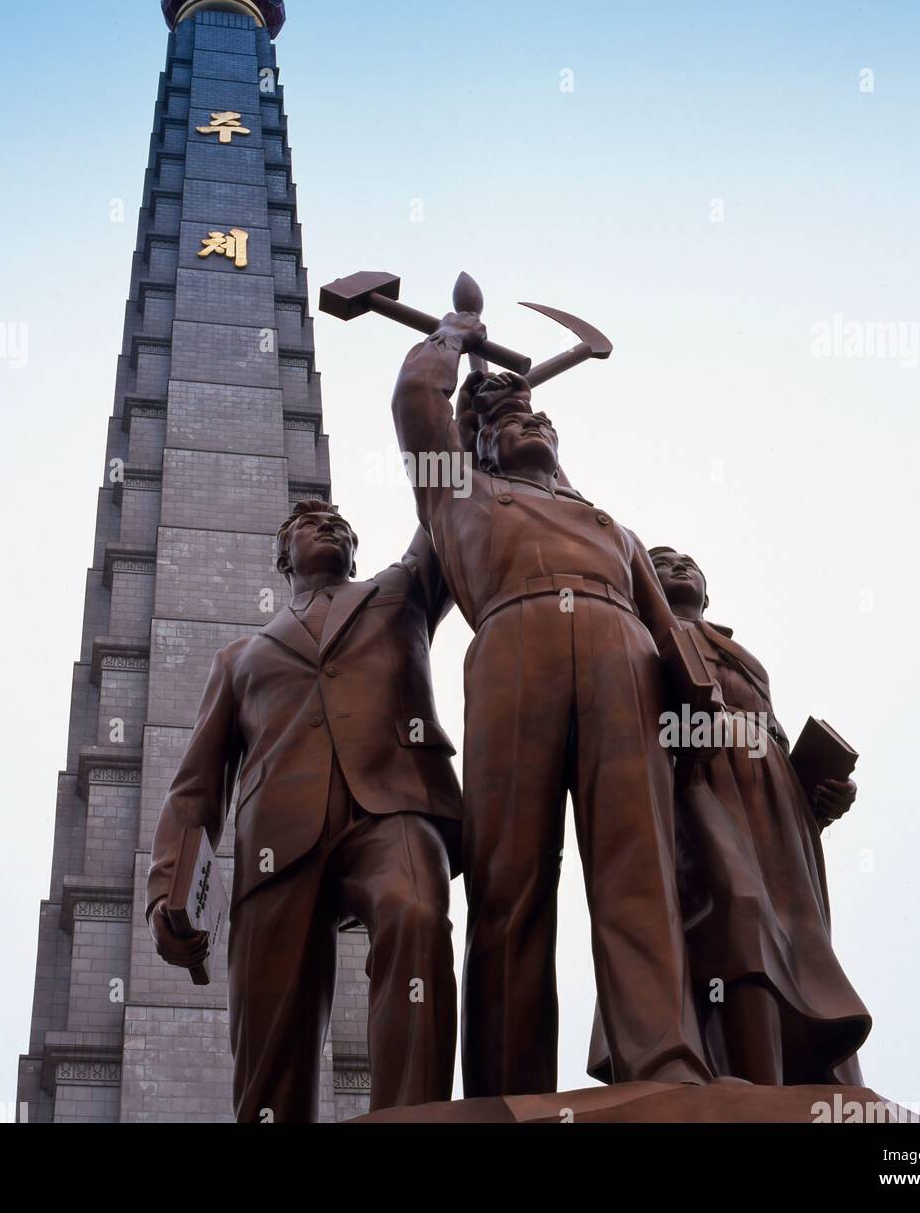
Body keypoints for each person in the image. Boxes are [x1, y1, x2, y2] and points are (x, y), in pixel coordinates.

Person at [393, 315, 712, 1097]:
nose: (525, 424)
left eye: (536, 417)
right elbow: (414, 399)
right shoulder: (455, 493)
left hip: (623, 659)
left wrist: (702, 722)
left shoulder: (614, 527)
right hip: (513, 644)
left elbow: (673, 640)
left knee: (638, 869)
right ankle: (508, 1083)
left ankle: (662, 1062)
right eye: (503, 419)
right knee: (508, 875)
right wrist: (450, 338)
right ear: (477, 440)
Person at [147, 500, 462, 1121]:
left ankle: (412, 1115)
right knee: (271, 1024)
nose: (329, 525)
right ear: (282, 557)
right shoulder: (240, 659)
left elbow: (446, 506)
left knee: (417, 917)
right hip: (277, 840)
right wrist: (167, 888)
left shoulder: (400, 592)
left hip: (392, 807)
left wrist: (464, 424)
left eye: (340, 525)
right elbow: (197, 786)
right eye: (310, 523)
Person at [590, 547, 870, 1086]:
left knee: (794, 934)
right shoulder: (634, 632)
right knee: (734, 912)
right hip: (690, 781)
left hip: (774, 804)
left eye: (688, 562)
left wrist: (823, 793)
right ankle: (744, 1079)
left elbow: (775, 737)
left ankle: (797, 1079)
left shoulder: (739, 652)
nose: (678, 566)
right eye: (662, 561)